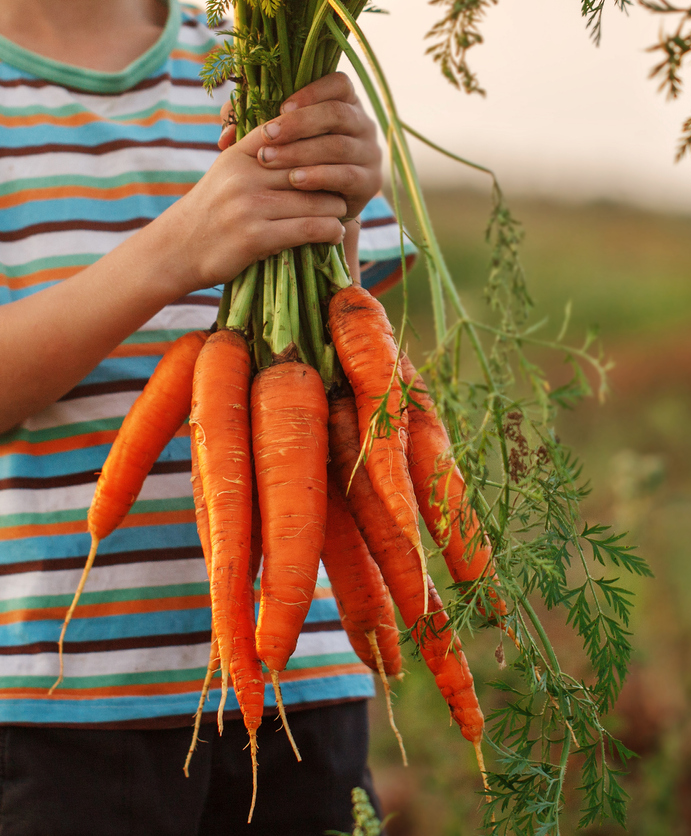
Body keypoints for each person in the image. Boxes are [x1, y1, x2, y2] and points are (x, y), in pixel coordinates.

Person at [0, 1, 406, 832]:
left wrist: (344, 196)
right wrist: (177, 249)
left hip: (302, 679)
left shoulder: (254, 62)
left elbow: (342, 346)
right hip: (60, 703)